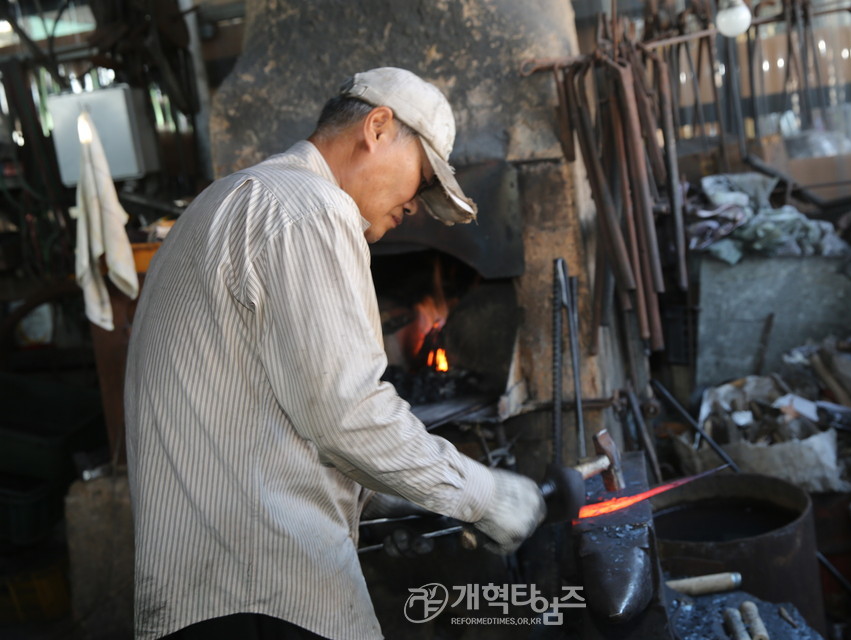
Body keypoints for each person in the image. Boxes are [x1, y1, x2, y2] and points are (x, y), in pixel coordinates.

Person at [124, 67, 546, 640]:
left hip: (204, 588)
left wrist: (384, 497)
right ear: (377, 127)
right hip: (264, 593)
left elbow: (272, 408)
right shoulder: (310, 209)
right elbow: (345, 412)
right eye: (422, 181)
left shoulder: (231, 198)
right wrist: (483, 495)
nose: (416, 207)